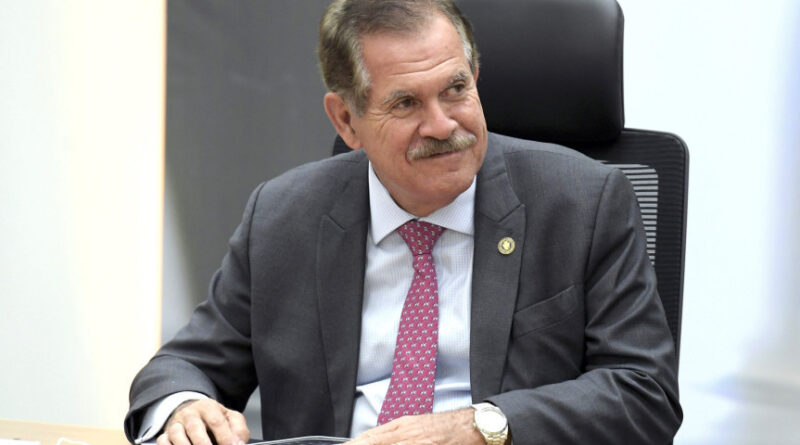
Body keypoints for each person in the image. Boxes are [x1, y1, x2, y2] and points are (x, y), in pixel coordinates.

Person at [125, 1, 682, 444]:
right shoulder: (284, 215)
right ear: (347, 120)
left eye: (456, 90)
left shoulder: (582, 202)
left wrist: (480, 427)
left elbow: (644, 394)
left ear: (476, 77)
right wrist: (184, 406)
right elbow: (184, 364)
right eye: (407, 104)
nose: (442, 125)